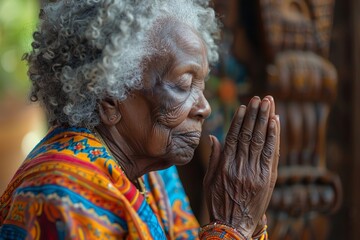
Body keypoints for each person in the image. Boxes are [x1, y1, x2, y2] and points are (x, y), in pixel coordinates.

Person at [0, 0, 280, 239]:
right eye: (183, 84)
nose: (204, 107)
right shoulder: (61, 191)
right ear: (110, 100)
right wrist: (233, 227)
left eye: (202, 85)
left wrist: (246, 223)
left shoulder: (156, 179)